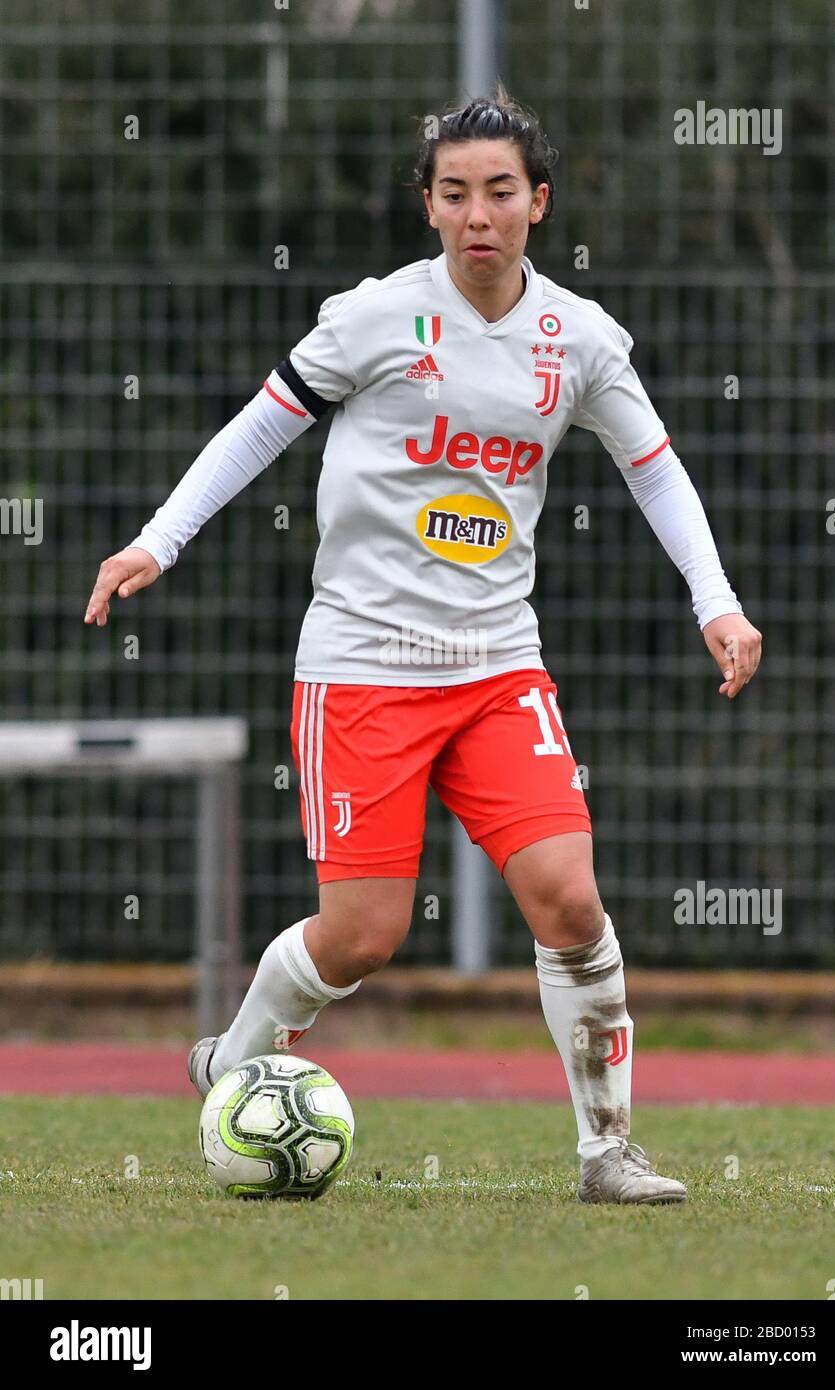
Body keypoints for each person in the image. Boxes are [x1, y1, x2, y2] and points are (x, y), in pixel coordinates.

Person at [84, 86, 762, 1204]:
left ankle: (607, 1150)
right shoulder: (372, 318)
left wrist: (715, 602)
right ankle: (235, 1061)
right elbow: (261, 422)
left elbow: (654, 468)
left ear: (537, 203)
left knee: (569, 900)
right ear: (429, 207)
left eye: (500, 191)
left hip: (498, 665)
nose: (477, 214)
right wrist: (159, 539)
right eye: (454, 194)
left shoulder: (579, 339)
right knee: (361, 936)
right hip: (360, 665)